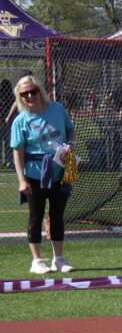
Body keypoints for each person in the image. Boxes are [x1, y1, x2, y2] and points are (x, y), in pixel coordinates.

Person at [9, 75, 76, 274]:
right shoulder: (20, 120)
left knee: (57, 215)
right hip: (35, 173)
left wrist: (70, 146)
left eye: (33, 91)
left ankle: (59, 258)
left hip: (62, 169)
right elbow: (18, 151)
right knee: (36, 216)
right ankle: (37, 260)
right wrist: (21, 180)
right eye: (25, 94)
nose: (30, 96)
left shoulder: (57, 109)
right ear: (20, 97)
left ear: (40, 91)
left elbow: (70, 131)